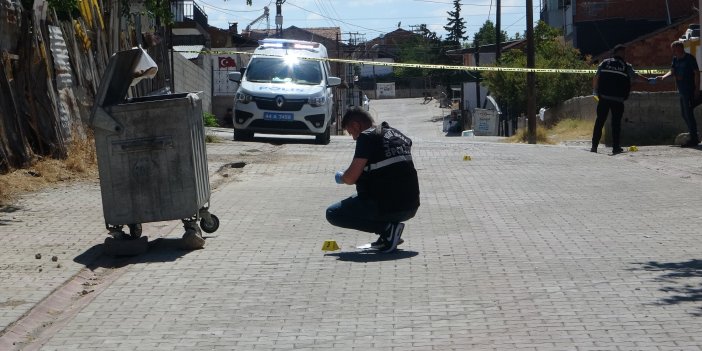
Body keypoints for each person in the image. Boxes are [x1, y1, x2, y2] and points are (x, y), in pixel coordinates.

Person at [326, 107, 420, 253]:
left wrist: (341, 177)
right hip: (411, 206)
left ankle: (387, 229)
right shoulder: (398, 135)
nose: (353, 138)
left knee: (333, 213)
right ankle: (388, 235)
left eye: (351, 132)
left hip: (388, 207)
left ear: (357, 125)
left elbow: (351, 178)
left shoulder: (366, 137)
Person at [591, 44, 652, 154]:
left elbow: (596, 77)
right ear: (619, 53)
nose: (624, 54)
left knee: (600, 121)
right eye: (623, 52)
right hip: (618, 99)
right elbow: (636, 76)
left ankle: (594, 147)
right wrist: (648, 81)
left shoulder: (605, 63)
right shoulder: (625, 66)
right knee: (616, 124)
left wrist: (595, 91)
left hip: (604, 97)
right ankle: (615, 148)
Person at [655, 40, 701, 147]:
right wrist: (663, 77)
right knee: (684, 114)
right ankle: (693, 135)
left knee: (688, 114)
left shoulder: (689, 58)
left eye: (674, 49)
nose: (673, 52)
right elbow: (672, 71)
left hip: (689, 90)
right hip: (681, 90)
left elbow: (697, 73)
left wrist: (697, 89)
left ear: (680, 48)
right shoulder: (675, 59)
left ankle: (694, 139)